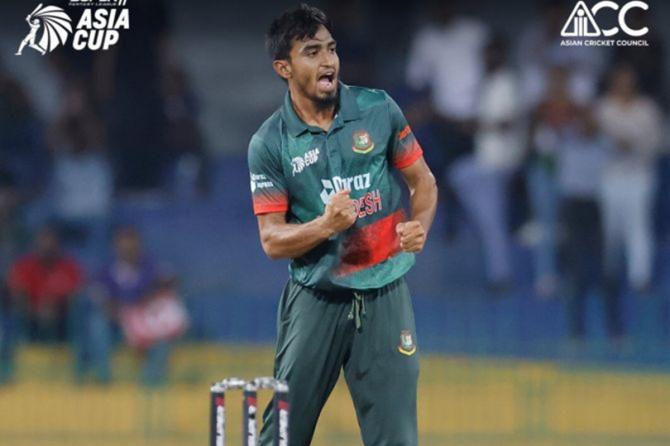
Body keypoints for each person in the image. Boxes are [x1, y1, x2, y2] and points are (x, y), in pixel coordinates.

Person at [248, 5, 437, 445]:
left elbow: (422, 182)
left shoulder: (376, 107)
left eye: (331, 49)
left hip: (385, 290)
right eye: (312, 52)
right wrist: (324, 225)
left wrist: (420, 223)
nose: (328, 61)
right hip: (316, 297)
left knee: (397, 437)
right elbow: (273, 241)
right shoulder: (270, 142)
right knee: (282, 435)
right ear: (284, 67)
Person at [596, 65, 662, 298]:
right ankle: (608, 276)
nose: (624, 86)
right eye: (619, 81)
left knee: (639, 227)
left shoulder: (647, 109)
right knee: (609, 229)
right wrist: (614, 144)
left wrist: (633, 144)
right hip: (610, 176)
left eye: (628, 81)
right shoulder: (602, 108)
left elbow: (657, 143)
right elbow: (594, 142)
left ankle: (639, 278)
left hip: (639, 174)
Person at [86, 226, 183, 384]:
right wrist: (117, 312)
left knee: (164, 326)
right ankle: (104, 376)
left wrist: (158, 290)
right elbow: (97, 295)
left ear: (138, 246)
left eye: (131, 247)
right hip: (117, 322)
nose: (128, 251)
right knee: (96, 323)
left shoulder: (152, 267)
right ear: (116, 248)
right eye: (123, 248)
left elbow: (171, 280)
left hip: (144, 320)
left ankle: (152, 377)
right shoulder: (107, 272)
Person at [7, 226, 82, 342]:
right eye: (44, 245)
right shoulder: (24, 267)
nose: (47, 249)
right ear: (36, 246)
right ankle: (13, 349)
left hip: (61, 315)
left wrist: (56, 307)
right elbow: (18, 293)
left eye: (51, 245)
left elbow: (75, 295)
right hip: (30, 314)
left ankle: (76, 350)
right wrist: (35, 309)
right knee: (14, 312)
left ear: (58, 246)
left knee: (80, 312)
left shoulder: (69, 268)